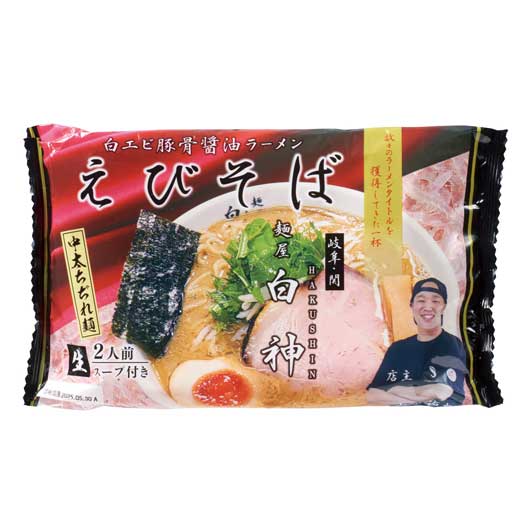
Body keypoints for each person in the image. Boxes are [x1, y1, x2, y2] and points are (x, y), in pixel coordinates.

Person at [366, 277, 467, 406]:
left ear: (444, 307)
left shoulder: (451, 344)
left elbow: (442, 391)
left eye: (435, 301)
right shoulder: (397, 348)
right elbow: (372, 395)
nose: (428, 307)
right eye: (421, 300)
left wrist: (395, 390)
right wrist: (418, 394)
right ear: (412, 306)